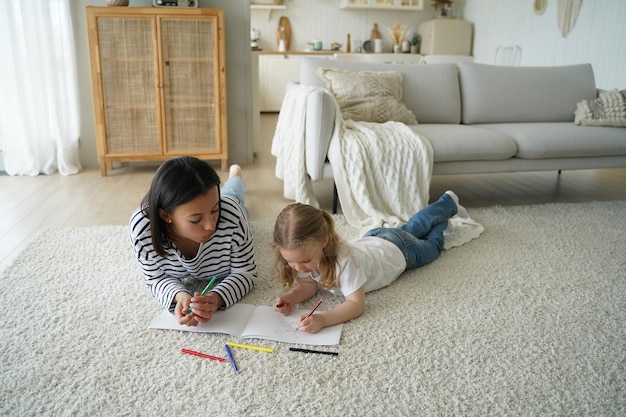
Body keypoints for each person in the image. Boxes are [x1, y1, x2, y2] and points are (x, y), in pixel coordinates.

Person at [272, 191, 468, 334]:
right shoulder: (302, 256)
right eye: (291, 262)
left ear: (324, 241)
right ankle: (448, 202)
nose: (298, 268)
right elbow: (308, 284)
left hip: (400, 252)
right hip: (376, 237)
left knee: (432, 247)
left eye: (304, 261)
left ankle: (444, 215)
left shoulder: (344, 262)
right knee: (412, 227)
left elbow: (356, 304)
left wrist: (323, 319)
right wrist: (292, 297)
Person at [129, 156, 257, 327]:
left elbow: (246, 273)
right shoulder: (142, 230)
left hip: (232, 205)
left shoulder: (231, 216)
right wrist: (179, 295)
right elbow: (155, 278)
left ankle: (236, 176)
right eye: (196, 220)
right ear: (166, 215)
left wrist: (217, 298)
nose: (211, 226)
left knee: (234, 196)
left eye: (214, 210)